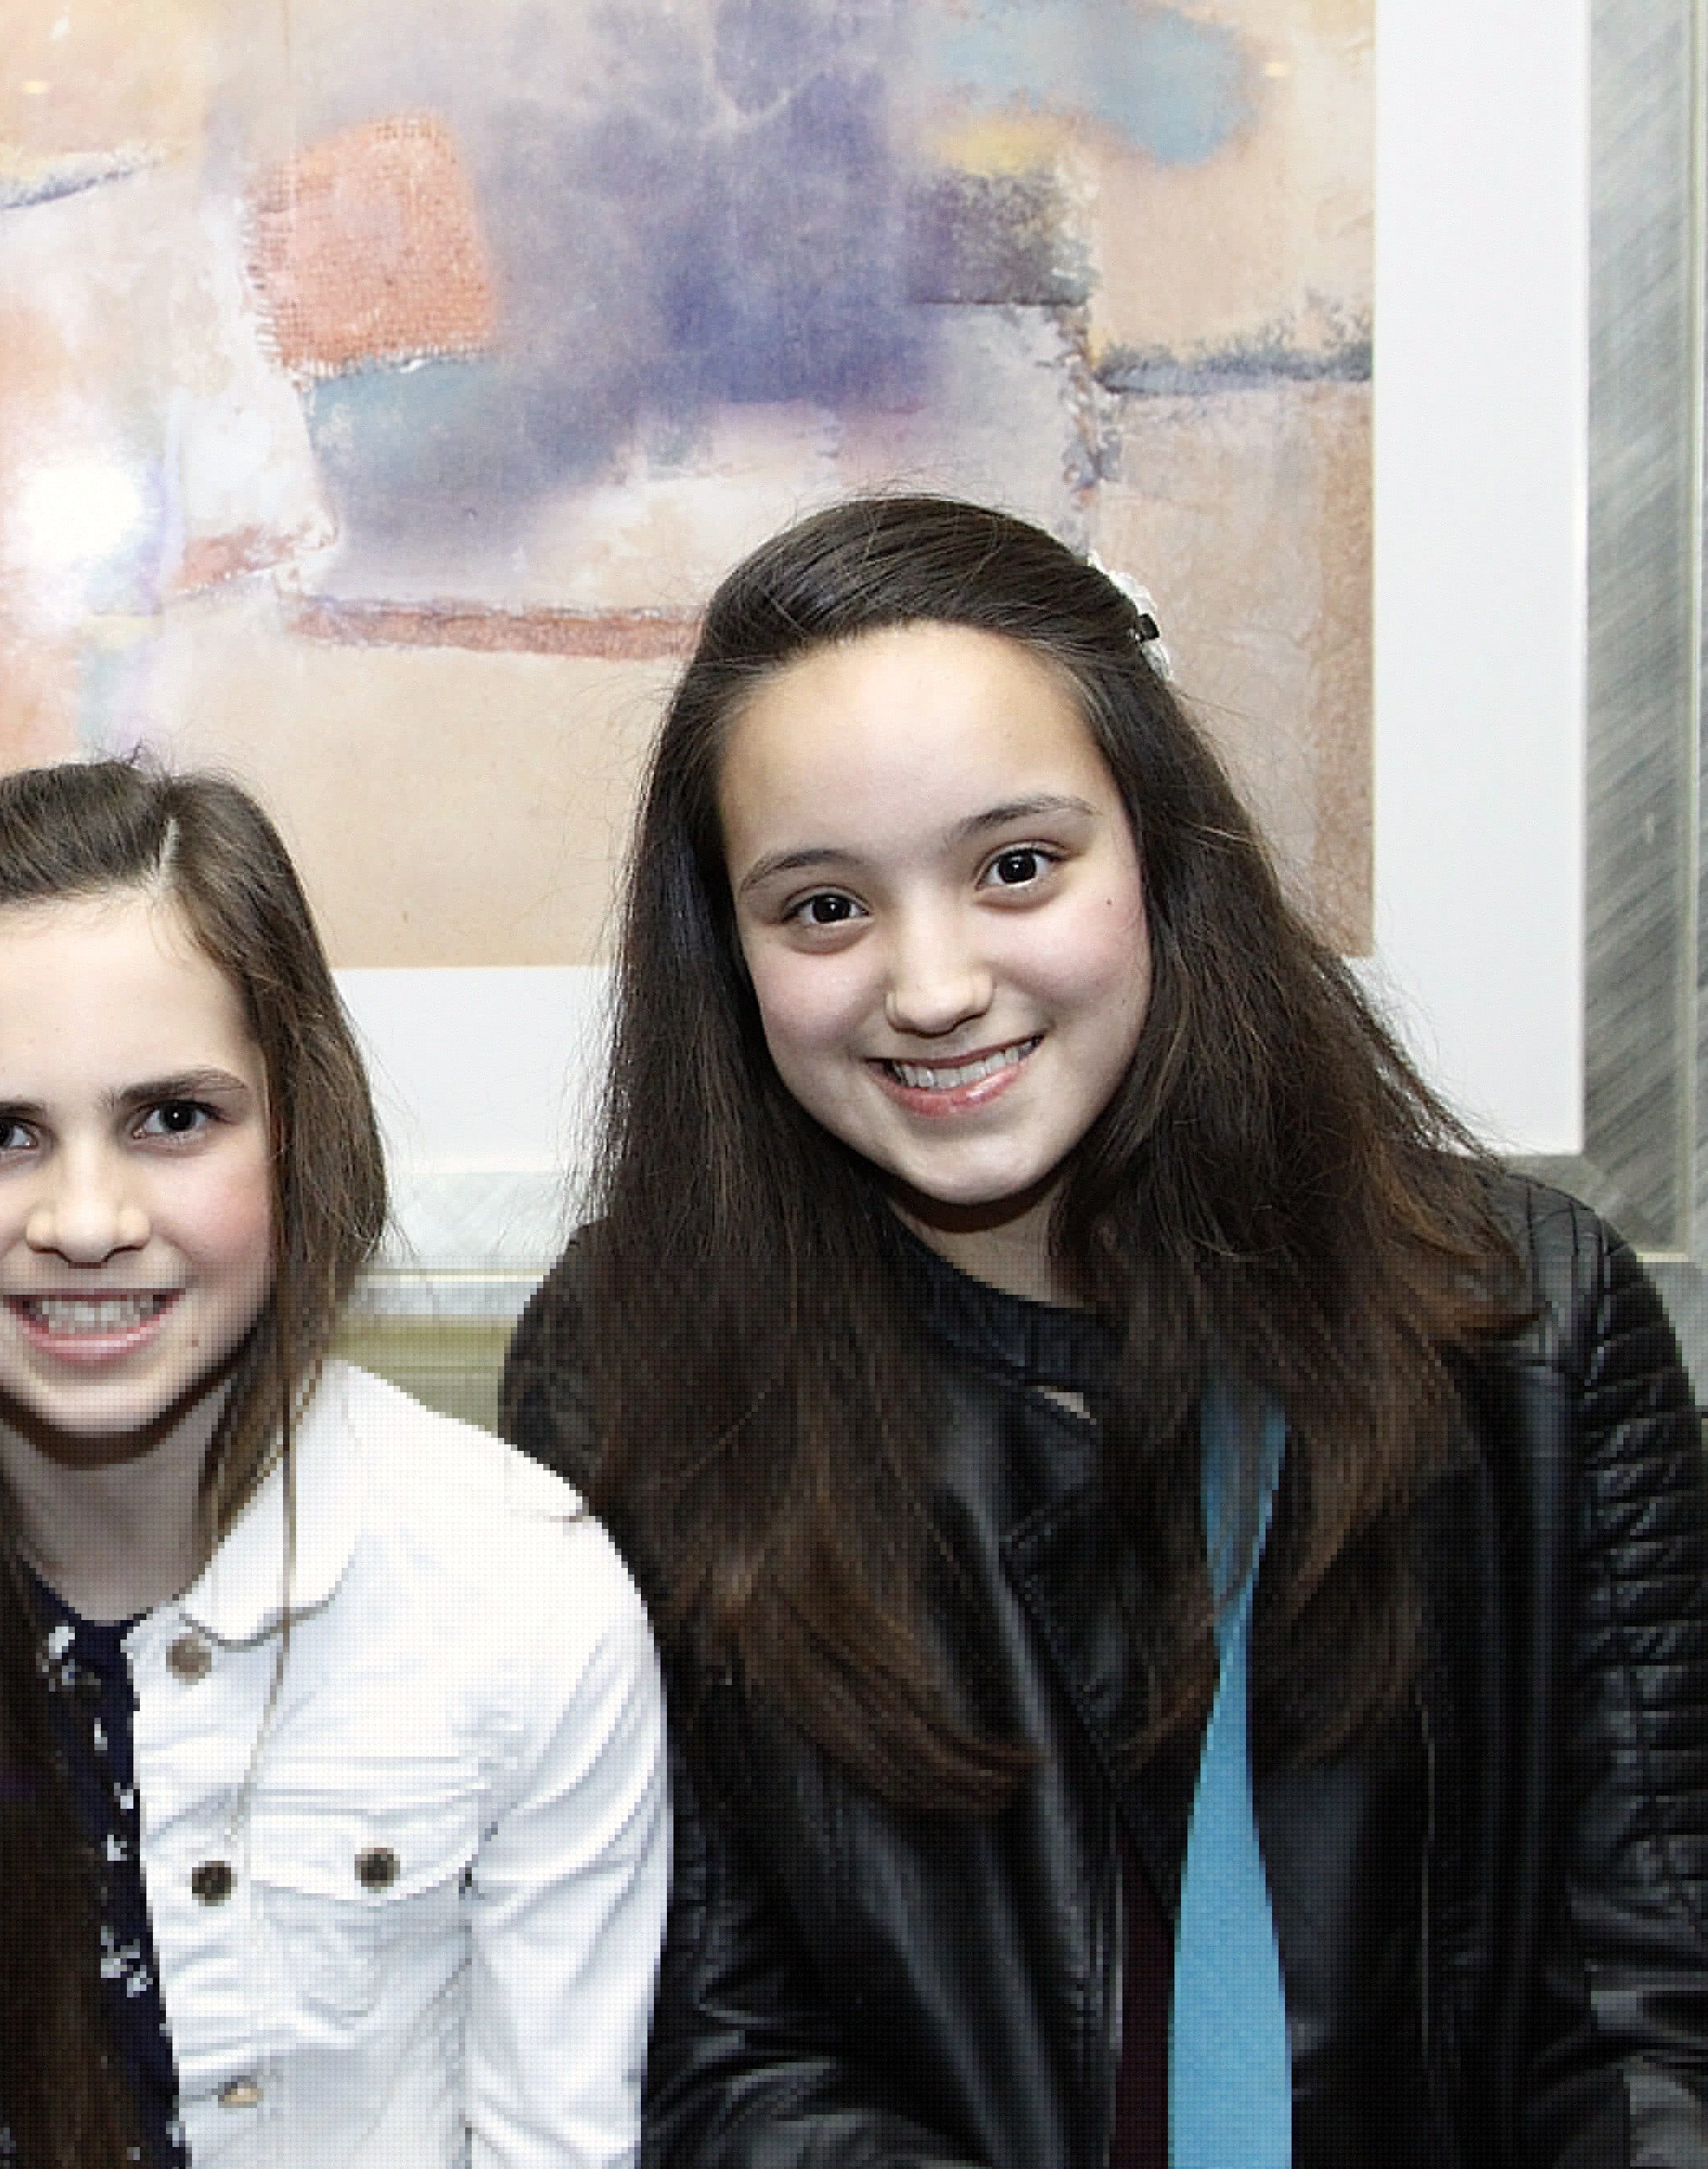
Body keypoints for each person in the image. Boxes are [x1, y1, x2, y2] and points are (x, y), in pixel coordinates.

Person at [499, 494, 1708, 2167]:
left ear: (1156, 851)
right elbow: (706, 2048)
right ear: (730, 949)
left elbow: (1649, 2018)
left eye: (1015, 867)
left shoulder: (1519, 1321)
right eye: (823, 907)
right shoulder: (635, 1361)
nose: (932, 985)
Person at [0, 760, 669, 2169]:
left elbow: (556, 2143)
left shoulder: (520, 1586)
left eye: (175, 1119)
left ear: (300, 1134)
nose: (87, 1221)